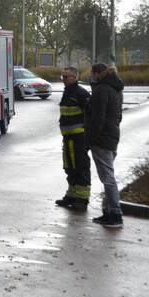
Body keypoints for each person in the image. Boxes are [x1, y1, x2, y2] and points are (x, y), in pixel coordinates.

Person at [87, 63, 124, 228]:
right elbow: (118, 116)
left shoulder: (101, 90)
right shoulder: (116, 89)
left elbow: (97, 118)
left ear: (96, 74)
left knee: (107, 178)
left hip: (102, 139)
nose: (91, 76)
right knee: (107, 175)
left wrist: (91, 139)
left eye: (92, 74)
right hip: (113, 135)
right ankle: (108, 211)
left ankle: (115, 213)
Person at [55, 66, 92, 212]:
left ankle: (82, 199)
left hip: (79, 138)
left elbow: (91, 115)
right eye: (62, 77)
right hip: (68, 138)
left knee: (81, 167)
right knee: (70, 167)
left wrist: (87, 136)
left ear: (74, 77)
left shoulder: (81, 93)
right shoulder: (68, 92)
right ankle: (71, 195)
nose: (63, 80)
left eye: (66, 77)